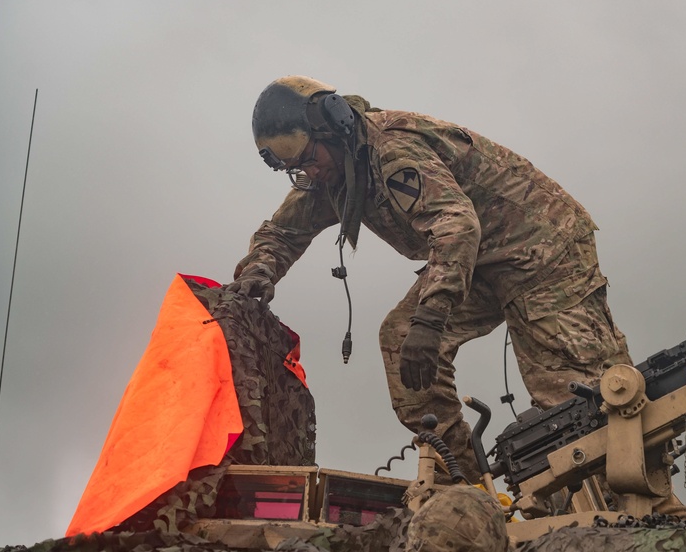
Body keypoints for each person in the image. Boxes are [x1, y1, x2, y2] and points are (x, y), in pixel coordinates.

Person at [228, 76, 631, 483]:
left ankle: (634, 505)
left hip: (542, 251)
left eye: (310, 157)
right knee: (401, 338)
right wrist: (260, 271)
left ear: (332, 124)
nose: (311, 171)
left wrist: (432, 316)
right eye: (298, 168)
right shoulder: (334, 168)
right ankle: (471, 489)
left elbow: (456, 226)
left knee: (577, 397)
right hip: (475, 261)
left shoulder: (391, 149)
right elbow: (282, 232)